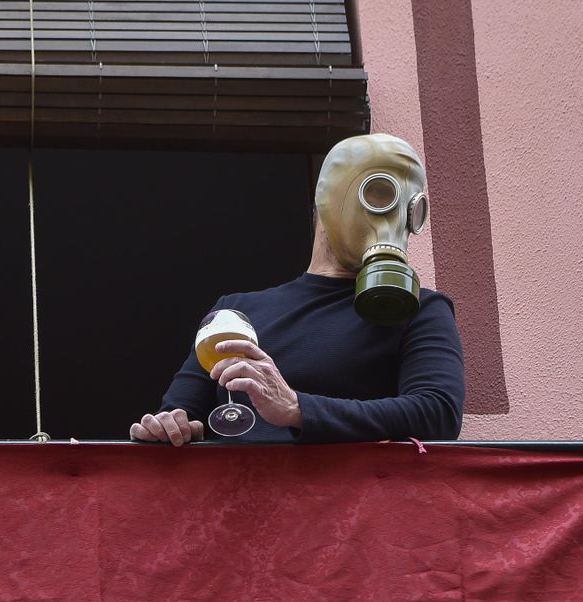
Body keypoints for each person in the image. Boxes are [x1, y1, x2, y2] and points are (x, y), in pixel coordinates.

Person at [132, 135, 466, 447]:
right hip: (243, 504)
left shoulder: (421, 309)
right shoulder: (235, 312)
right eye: (379, 195)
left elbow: (438, 415)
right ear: (327, 200)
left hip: (354, 507)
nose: (392, 222)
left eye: (409, 209)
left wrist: (297, 408)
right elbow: (179, 413)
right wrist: (169, 428)